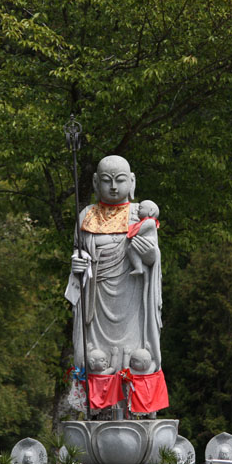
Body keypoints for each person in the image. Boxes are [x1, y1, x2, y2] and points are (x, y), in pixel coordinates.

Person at [66, 156, 163, 391]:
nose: (113, 187)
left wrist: (150, 256)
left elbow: (153, 259)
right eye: (106, 180)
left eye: (120, 180)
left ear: (132, 181)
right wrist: (77, 265)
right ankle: (98, 395)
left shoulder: (141, 215)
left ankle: (132, 392)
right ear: (95, 182)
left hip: (132, 295)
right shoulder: (86, 215)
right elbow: (79, 253)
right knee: (96, 355)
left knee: (135, 353)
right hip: (96, 297)